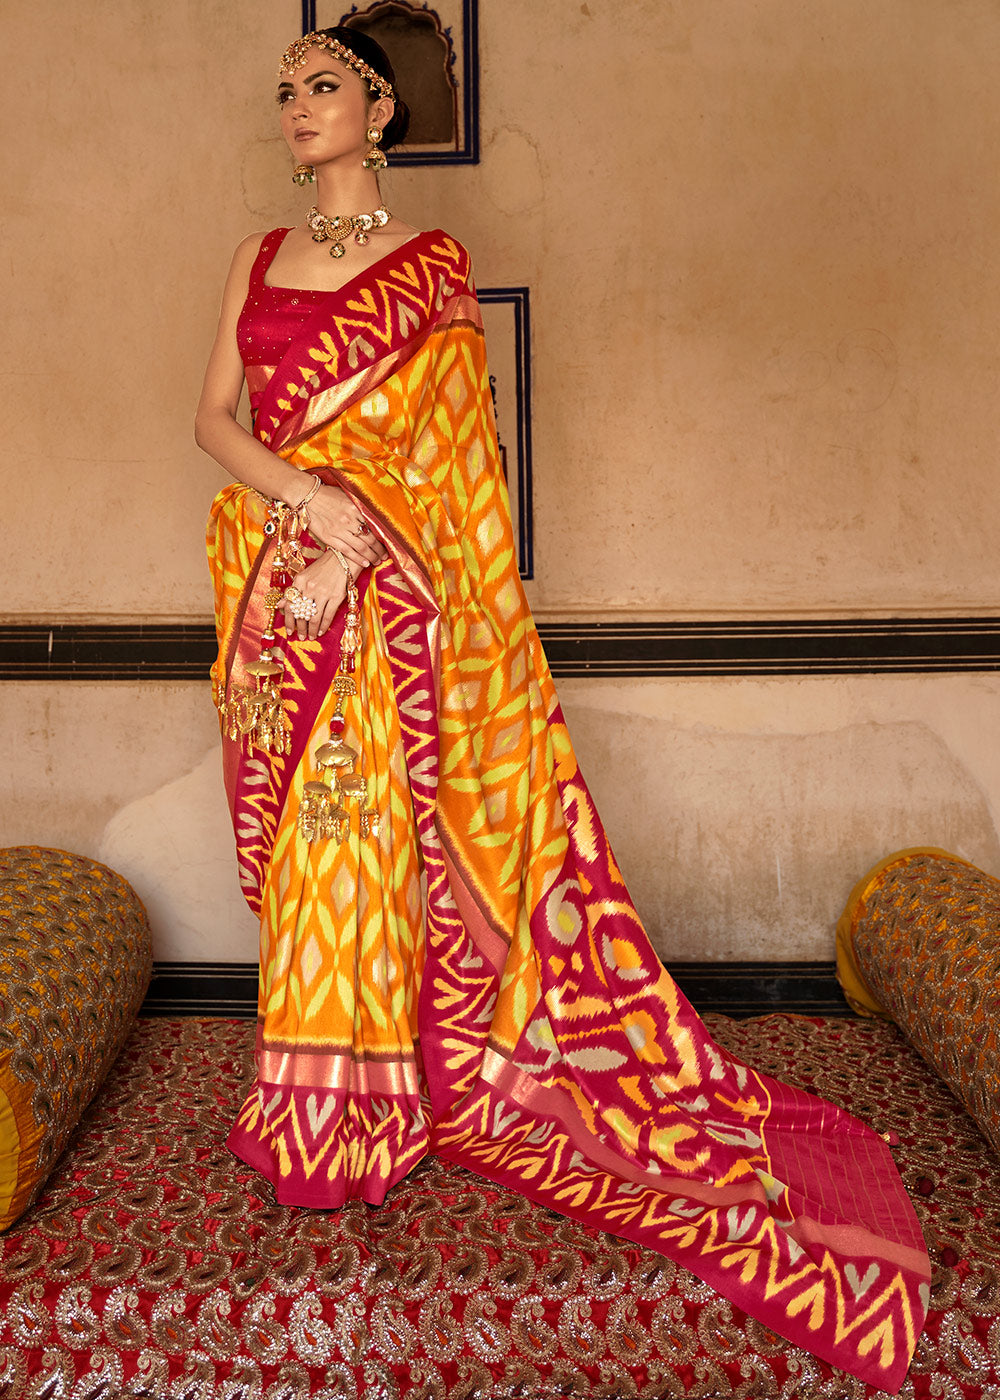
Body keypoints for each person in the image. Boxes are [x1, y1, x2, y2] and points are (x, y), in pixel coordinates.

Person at [196, 28, 929, 1390]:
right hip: (282, 596)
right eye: (286, 91)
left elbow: (457, 470)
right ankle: (306, 1104)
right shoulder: (254, 256)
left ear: (381, 106)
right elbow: (212, 423)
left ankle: (374, 1105)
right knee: (307, 856)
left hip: (395, 611)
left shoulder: (433, 268)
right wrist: (309, 508)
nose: (298, 108)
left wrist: (371, 538)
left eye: (324, 86)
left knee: (369, 847)